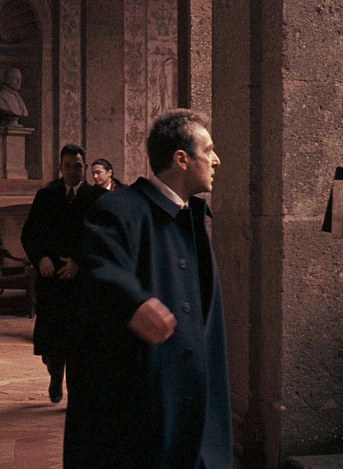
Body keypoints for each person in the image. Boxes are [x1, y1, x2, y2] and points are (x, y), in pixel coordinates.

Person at [64, 109, 232, 468]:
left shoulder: (191, 215)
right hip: (140, 401)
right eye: (208, 150)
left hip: (187, 396)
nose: (216, 160)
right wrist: (135, 303)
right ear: (181, 159)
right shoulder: (118, 207)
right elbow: (98, 266)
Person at [20, 144, 103, 404]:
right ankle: (55, 378)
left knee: (79, 343)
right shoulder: (46, 195)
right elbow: (29, 234)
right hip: (51, 279)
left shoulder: (98, 198)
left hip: (81, 282)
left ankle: (75, 393)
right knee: (52, 344)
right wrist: (40, 258)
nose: (72, 171)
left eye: (77, 166)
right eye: (67, 166)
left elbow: (102, 238)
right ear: (60, 168)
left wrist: (79, 262)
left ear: (85, 167)